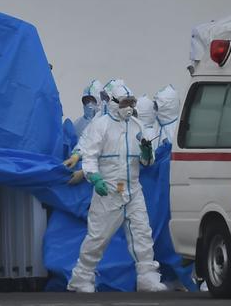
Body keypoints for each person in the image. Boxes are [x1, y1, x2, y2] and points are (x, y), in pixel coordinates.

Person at [67, 81, 166, 293]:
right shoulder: (100, 125)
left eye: (132, 102)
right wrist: (95, 178)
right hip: (109, 189)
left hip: (133, 189)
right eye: (124, 103)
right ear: (112, 102)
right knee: (98, 236)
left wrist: (147, 153)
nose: (129, 107)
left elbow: (147, 162)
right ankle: (82, 277)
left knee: (142, 233)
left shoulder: (137, 126)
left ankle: (147, 276)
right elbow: (90, 154)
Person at [66, 80, 103, 184]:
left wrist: (84, 172)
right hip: (77, 172)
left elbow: (106, 156)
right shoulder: (77, 123)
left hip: (97, 176)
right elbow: (80, 145)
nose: (89, 104)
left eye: (93, 100)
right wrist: (75, 156)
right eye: (86, 101)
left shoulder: (105, 123)